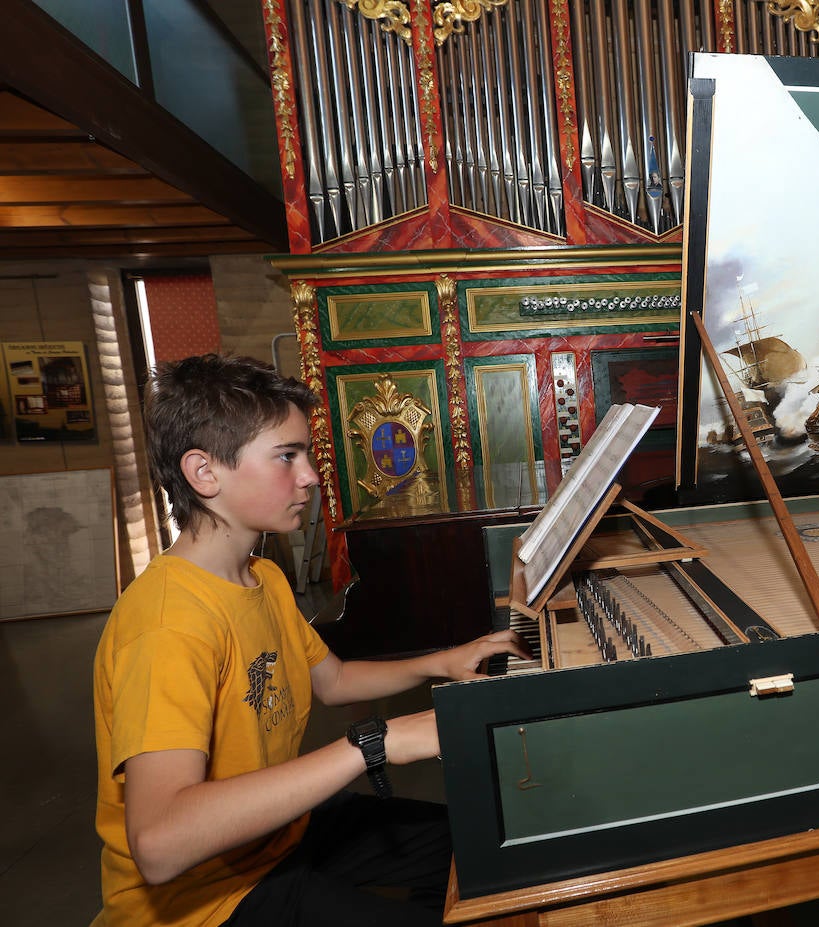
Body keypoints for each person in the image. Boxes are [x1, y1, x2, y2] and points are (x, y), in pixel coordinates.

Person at [92, 354, 529, 927]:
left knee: (475, 841)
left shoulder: (263, 577)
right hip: (204, 904)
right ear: (204, 473)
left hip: (277, 839)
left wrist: (445, 661)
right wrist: (374, 744)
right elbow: (160, 844)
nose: (311, 476)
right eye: (286, 456)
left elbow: (335, 680)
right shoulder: (167, 625)